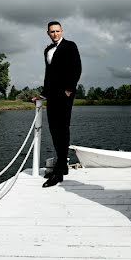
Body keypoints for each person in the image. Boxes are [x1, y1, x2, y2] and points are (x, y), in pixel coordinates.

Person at [37, 21, 82, 188]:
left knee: (62, 129)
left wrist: (69, 89)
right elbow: (48, 74)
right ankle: (62, 166)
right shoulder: (47, 50)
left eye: (57, 31)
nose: (55, 34)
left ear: (61, 31)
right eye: (52, 31)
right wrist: (43, 94)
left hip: (65, 94)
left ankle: (59, 171)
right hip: (52, 95)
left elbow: (76, 68)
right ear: (48, 33)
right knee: (54, 130)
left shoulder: (70, 46)